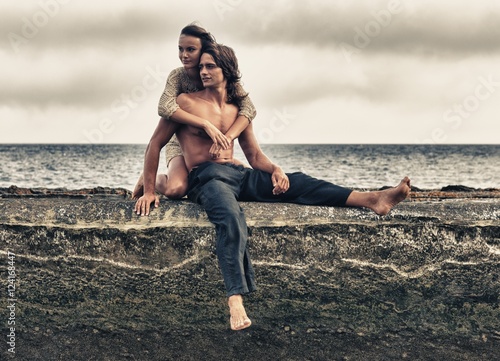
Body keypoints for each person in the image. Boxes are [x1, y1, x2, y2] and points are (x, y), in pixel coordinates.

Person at [134, 44, 411, 331]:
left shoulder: (236, 109)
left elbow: (253, 156)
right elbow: (155, 143)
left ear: (226, 70)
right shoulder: (186, 103)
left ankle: (373, 199)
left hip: (239, 173)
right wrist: (151, 186)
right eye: (201, 66)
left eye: (210, 66)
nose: (202, 71)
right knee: (230, 218)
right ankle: (235, 299)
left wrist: (276, 170)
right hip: (207, 178)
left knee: (300, 182)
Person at [132, 23, 256, 200]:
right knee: (176, 190)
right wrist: (205, 124)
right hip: (180, 140)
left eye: (190, 49)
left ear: (204, 50)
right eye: (180, 49)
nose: (184, 55)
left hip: (211, 144)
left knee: (243, 179)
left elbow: (249, 108)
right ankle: (149, 179)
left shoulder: (221, 74)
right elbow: (164, 107)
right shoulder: (178, 76)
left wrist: (227, 138)